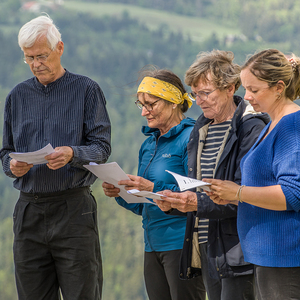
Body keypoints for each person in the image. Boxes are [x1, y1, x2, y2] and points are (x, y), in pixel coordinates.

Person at [0, 15, 111, 300]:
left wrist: (73, 153)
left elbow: (101, 148)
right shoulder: (17, 96)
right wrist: (12, 166)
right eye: (29, 58)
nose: (36, 64)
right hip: (28, 212)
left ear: (59, 48)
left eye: (41, 55)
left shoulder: (87, 90)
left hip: (74, 208)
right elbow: (4, 153)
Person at [154, 50, 269, 300]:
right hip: (206, 245)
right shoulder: (201, 128)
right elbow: (199, 191)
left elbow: (246, 194)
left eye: (206, 93)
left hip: (239, 249)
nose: (199, 101)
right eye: (195, 94)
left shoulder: (251, 128)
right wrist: (174, 203)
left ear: (230, 87)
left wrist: (194, 202)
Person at [204, 49, 300, 300]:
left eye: (254, 90)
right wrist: (232, 197)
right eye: (245, 89)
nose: (247, 97)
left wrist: (238, 192)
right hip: (264, 256)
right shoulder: (272, 123)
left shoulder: (292, 125)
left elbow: (292, 194)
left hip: (283, 256)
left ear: (279, 87)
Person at [102, 67, 206, 300]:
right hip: (152, 246)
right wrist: (120, 192)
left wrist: (152, 188)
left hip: (182, 244)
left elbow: (198, 196)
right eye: (141, 105)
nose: (144, 112)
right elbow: (144, 206)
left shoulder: (190, 138)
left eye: (151, 104)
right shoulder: (148, 145)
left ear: (172, 102)